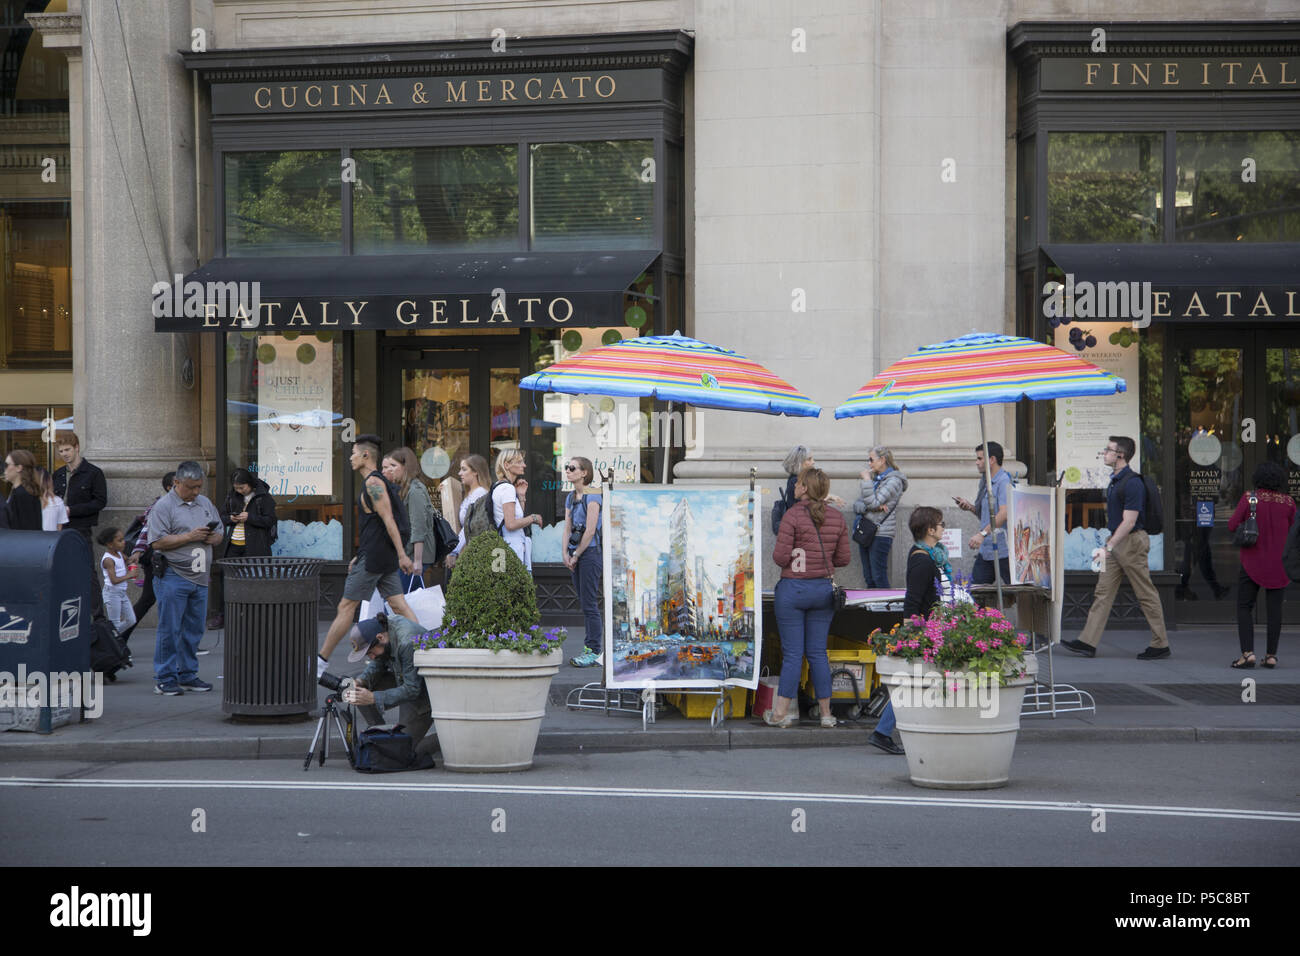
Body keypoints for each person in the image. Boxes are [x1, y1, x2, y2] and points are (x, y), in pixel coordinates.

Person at [1061, 436, 1171, 660]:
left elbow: (1130, 521)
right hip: (1116, 542)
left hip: (1130, 543)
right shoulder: (1116, 480)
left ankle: (1160, 644)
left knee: (1145, 593)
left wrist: (1109, 546)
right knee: (1103, 592)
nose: (1105, 453)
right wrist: (1110, 545)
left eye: (1108, 450)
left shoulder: (1132, 483)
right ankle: (1087, 642)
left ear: (1120, 455)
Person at [316, 435, 418, 677]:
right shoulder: (375, 482)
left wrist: (403, 555)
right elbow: (376, 527)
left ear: (365, 456)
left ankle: (320, 662)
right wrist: (359, 555)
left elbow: (388, 520)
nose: (350, 457)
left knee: (345, 605)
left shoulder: (374, 483)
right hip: (378, 555)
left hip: (375, 559)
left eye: (353, 453)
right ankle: (425, 647)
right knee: (398, 604)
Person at [867, 505, 962, 755]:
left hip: (934, 626)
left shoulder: (931, 555)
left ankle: (888, 731)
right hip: (926, 629)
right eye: (940, 524)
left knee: (919, 681)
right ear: (930, 530)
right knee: (914, 682)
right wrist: (911, 634)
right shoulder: (922, 560)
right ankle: (882, 731)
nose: (943, 528)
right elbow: (913, 599)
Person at [769, 466, 850, 728]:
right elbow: (843, 559)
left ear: (804, 488)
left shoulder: (792, 515)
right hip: (822, 591)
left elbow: (780, 558)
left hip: (793, 590)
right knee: (818, 652)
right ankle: (826, 715)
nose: (794, 486)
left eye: (798, 483)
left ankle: (780, 714)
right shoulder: (837, 518)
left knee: (793, 654)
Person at [146, 461, 224, 695]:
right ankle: (165, 677)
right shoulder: (164, 506)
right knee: (170, 629)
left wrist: (214, 538)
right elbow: (157, 542)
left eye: (199, 487)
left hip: (200, 577)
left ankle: (188, 674)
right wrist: (189, 537)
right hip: (173, 574)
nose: (196, 492)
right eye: (191, 487)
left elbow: (220, 531)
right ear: (177, 483)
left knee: (193, 629)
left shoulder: (205, 503)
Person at [1227, 461, 1295, 669]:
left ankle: (1247, 653)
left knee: (1244, 606)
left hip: (1252, 560)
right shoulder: (1289, 502)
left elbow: (1232, 525)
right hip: (1279, 563)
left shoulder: (1250, 498)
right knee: (1275, 611)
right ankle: (1271, 655)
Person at [343, 613, 438, 758]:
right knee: (359, 690)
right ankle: (381, 734)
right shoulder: (383, 631)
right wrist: (361, 681)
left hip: (426, 694)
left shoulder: (407, 642)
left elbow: (412, 689)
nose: (371, 657)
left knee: (404, 754)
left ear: (380, 638)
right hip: (403, 678)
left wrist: (374, 697)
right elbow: (379, 661)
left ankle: (444, 739)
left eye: (370, 652)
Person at [209, 469, 278, 629]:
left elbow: (270, 521)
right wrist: (231, 519)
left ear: (250, 484)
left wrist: (250, 518)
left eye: (242, 487)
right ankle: (224, 615)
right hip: (233, 543)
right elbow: (222, 516)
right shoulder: (232, 496)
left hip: (255, 545)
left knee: (256, 579)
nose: (239, 491)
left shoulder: (263, 497)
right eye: (236, 488)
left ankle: (256, 615)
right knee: (227, 579)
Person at [120, 471, 174, 648]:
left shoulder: (173, 504)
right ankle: (120, 637)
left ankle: (120, 637)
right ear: (170, 487)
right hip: (158, 558)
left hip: (163, 558)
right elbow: (146, 529)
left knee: (150, 598)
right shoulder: (162, 505)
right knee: (152, 598)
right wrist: (137, 552)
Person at [563, 456, 603, 668]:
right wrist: (565, 554)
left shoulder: (593, 495)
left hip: (589, 554)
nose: (568, 471)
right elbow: (567, 528)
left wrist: (577, 554)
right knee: (585, 603)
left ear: (584, 473)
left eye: (572, 468)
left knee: (589, 604)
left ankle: (594, 650)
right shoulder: (571, 497)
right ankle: (591, 648)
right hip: (575, 553)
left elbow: (590, 530)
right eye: (567, 467)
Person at [954, 441, 1011, 586]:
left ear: (992, 460)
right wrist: (970, 507)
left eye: (980, 458)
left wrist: (982, 534)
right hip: (987, 550)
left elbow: (1004, 513)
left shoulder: (1003, 481)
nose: (976, 462)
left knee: (1021, 592)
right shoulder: (985, 482)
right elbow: (987, 516)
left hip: (1003, 550)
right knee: (975, 591)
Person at [383, 447, 439, 592]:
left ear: (405, 467)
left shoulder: (415, 491)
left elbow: (418, 527)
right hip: (408, 554)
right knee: (404, 602)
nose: (391, 470)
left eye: (394, 466)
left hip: (414, 556)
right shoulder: (404, 489)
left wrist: (417, 561)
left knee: (399, 602)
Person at [853, 446, 908, 589]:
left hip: (881, 533)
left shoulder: (894, 481)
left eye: (871, 460)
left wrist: (866, 481)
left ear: (882, 460)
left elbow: (872, 502)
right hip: (867, 531)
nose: (869, 464)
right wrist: (871, 506)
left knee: (879, 576)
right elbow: (857, 506)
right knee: (869, 577)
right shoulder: (877, 479)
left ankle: (885, 610)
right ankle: (873, 610)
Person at [53, 431, 108, 548]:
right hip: (58, 527)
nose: (64, 454)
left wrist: (71, 510)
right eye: (61, 451)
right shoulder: (58, 474)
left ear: (76, 448)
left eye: (67, 450)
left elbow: (100, 502)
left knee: (83, 563)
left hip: (81, 528)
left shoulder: (94, 473)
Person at [492, 449, 542, 571]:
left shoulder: (500, 486)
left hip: (505, 549)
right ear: (506, 465)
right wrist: (533, 518)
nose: (524, 465)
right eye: (519, 462)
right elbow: (511, 524)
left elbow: (515, 518)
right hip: (512, 550)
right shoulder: (507, 489)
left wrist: (521, 496)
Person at [97, 526, 136, 635]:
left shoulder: (119, 553)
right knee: (115, 624)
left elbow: (127, 561)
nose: (124, 542)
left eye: (123, 539)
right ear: (110, 544)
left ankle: (111, 637)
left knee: (131, 620)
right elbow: (113, 580)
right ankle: (110, 641)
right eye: (120, 541)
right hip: (112, 593)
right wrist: (129, 575)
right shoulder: (108, 560)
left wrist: (131, 562)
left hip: (121, 592)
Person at [3, 449, 43, 530]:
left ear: (19, 468)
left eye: (6, 465)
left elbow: (27, 527)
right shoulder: (20, 491)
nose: (4, 469)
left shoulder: (22, 494)